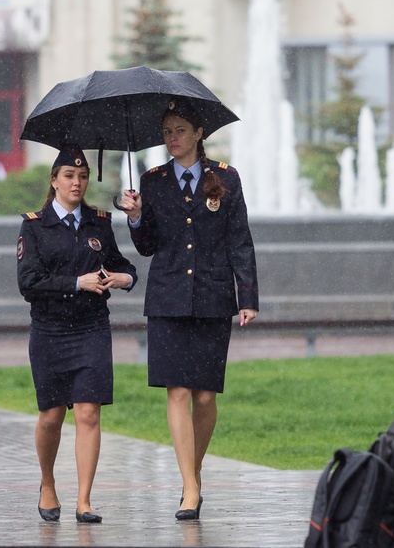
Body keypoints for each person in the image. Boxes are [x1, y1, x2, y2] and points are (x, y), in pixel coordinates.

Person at [118, 99, 259, 521]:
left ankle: (191, 473)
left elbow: (240, 239)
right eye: (166, 131)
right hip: (167, 296)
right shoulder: (153, 180)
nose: (171, 138)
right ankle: (191, 487)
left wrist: (247, 296)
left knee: (204, 395)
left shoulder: (226, 178)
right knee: (176, 390)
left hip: (213, 296)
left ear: (199, 133)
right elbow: (147, 247)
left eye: (179, 130)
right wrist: (137, 216)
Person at [16, 145, 138, 524]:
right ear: (53, 181)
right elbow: (29, 283)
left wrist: (124, 278)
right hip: (50, 331)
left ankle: (84, 499)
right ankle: (48, 482)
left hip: (91, 329)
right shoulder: (34, 226)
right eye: (69, 176)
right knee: (51, 416)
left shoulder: (99, 222)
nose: (77, 183)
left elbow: (121, 264)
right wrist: (76, 282)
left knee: (88, 413)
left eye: (83, 177)